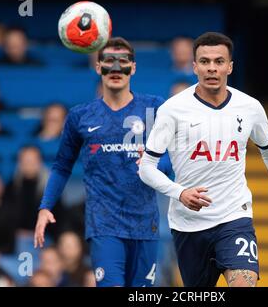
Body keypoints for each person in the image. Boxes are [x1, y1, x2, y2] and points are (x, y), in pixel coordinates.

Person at [139, 32, 268, 287]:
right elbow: (146, 167)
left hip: (235, 216)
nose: (212, 68)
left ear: (230, 66)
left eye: (219, 61)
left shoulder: (249, 107)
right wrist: (180, 192)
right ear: (194, 66)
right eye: (205, 61)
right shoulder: (172, 110)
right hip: (188, 224)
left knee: (244, 282)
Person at [34, 37, 172, 287]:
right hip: (104, 226)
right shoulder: (80, 116)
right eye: (109, 61)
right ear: (98, 67)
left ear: (134, 67)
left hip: (146, 225)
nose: (116, 69)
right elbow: (62, 165)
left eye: (124, 62)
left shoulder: (154, 108)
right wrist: (46, 207)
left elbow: (173, 161)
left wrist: (154, 165)